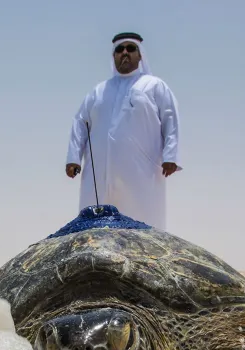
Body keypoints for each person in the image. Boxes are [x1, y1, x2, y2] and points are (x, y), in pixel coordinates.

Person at [65, 32, 181, 231]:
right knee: (95, 227)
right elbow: (80, 123)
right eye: (119, 50)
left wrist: (171, 156)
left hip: (141, 174)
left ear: (140, 55)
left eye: (130, 48)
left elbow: (171, 119)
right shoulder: (99, 91)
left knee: (142, 226)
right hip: (98, 175)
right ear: (114, 56)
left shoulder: (154, 86)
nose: (124, 53)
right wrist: (73, 158)